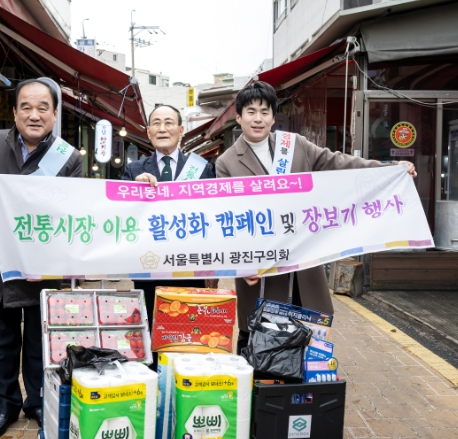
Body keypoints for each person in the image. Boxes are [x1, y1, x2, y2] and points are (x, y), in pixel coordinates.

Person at [215, 81, 417, 341]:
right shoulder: (227, 162)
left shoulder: (294, 145)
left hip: (303, 263)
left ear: (273, 118)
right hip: (260, 268)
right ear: (239, 117)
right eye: (251, 112)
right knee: (259, 342)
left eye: (265, 112)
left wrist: (389, 168)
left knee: (311, 338)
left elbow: (339, 162)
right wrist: (241, 264)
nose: (258, 119)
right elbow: (228, 219)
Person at [0, 78, 82, 439]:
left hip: (42, 266)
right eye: (26, 107)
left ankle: (39, 402)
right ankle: (4, 407)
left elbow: (76, 212)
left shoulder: (69, 157)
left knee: (41, 343)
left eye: (43, 107)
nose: (34, 114)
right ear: (14, 112)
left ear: (54, 114)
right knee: (0, 342)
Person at [122, 105, 215, 347]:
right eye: (156, 123)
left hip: (188, 267)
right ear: (148, 131)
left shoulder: (202, 168)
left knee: (187, 338)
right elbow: (122, 218)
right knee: (149, 337)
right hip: (148, 266)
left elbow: (212, 217)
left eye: (169, 123)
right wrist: (135, 191)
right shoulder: (134, 170)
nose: (162, 129)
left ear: (181, 130)